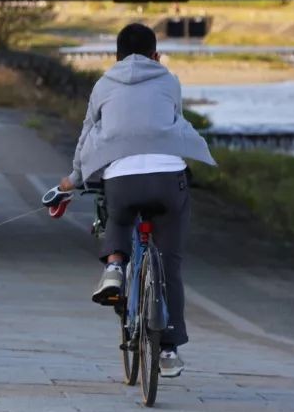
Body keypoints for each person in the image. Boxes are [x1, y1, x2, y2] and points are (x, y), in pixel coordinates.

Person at [57, 23, 215, 378]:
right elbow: (171, 121)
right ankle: (170, 349)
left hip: (122, 178)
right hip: (167, 176)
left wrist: (70, 182)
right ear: (155, 56)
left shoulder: (103, 84)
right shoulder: (169, 80)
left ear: (115, 57)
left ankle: (114, 266)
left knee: (120, 217)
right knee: (170, 262)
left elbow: (88, 136)